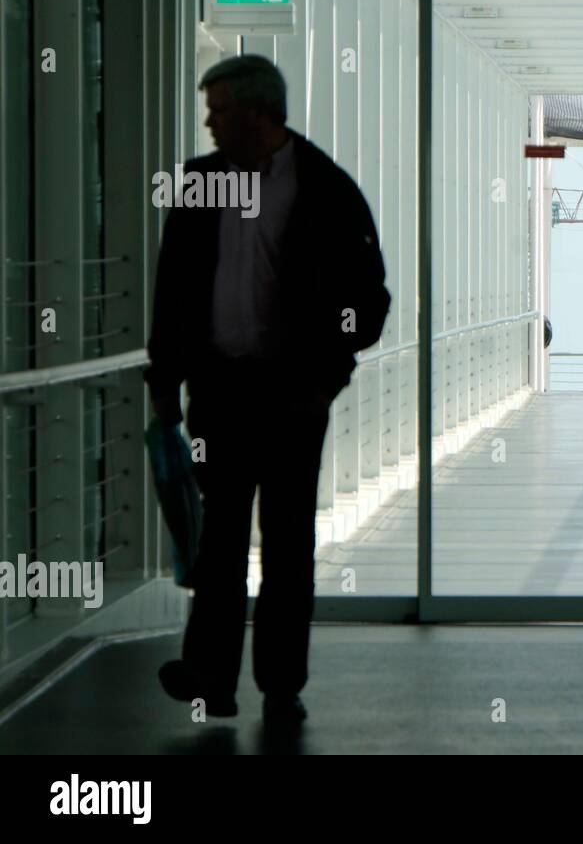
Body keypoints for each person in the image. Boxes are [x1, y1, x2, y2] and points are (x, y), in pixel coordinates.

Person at [145, 54, 390, 724]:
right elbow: (174, 291)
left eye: (219, 110)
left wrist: (325, 380)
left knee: (286, 544)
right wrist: (164, 380)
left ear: (257, 113)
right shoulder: (202, 184)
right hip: (219, 393)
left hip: (291, 399)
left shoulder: (324, 187)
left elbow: (367, 298)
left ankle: (281, 683)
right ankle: (210, 679)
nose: (209, 122)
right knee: (218, 540)